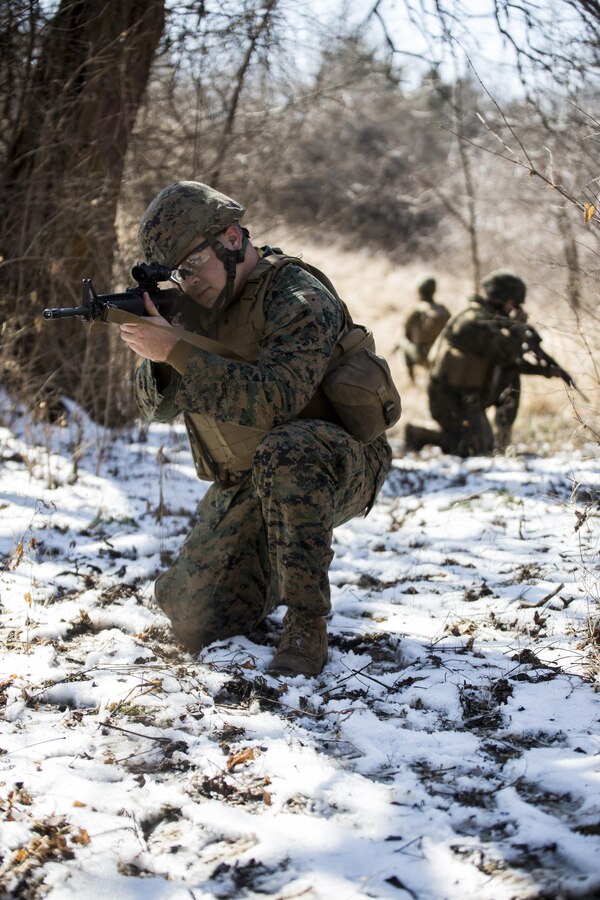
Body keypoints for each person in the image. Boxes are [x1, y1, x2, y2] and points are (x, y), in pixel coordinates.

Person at [119, 181, 393, 677]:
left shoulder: (299, 297)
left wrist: (176, 350)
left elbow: (279, 398)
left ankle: (307, 622)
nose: (187, 282)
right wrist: (159, 354)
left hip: (336, 460)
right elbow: (151, 409)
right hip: (250, 477)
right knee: (194, 618)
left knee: (290, 449)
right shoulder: (197, 306)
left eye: (191, 266)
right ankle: (274, 561)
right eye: (175, 275)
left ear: (230, 238)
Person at [404, 269, 574, 456]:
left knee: (511, 377)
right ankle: (420, 435)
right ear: (502, 299)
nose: (515, 310)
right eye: (514, 304)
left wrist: (549, 371)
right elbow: (508, 353)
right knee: (476, 448)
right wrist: (518, 328)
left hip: (468, 397)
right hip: (448, 401)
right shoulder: (473, 321)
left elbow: (511, 364)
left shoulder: (488, 320)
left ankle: (502, 439)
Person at [398, 275, 450, 381]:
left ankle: (411, 380)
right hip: (441, 356)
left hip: (422, 356)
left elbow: (407, 334)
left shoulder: (415, 310)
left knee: (402, 343)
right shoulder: (443, 310)